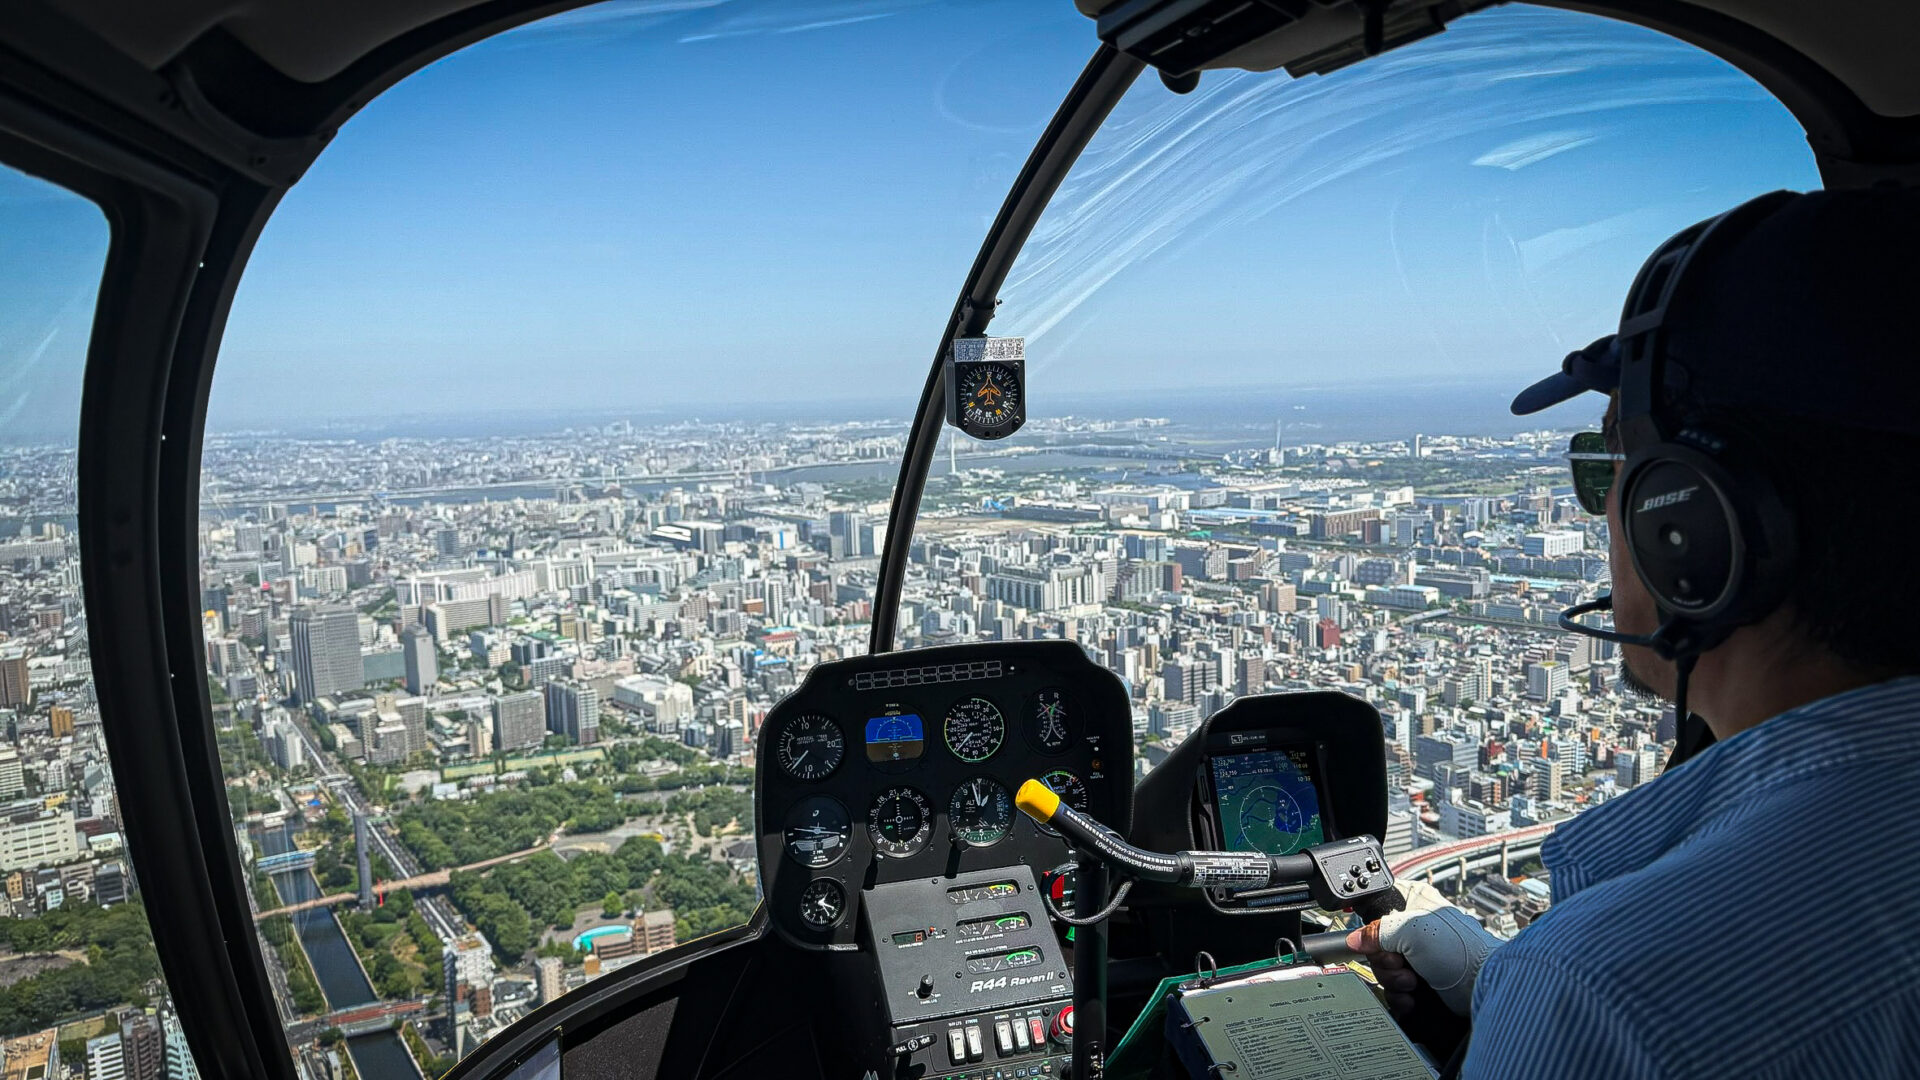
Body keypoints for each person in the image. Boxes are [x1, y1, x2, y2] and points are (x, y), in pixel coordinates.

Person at [1348, 187, 1920, 1077]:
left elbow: (1655, 1004)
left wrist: (1546, 995)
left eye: (1606, 467)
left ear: (1685, 521)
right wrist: (1499, 985)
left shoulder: (1598, 992)